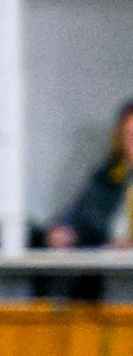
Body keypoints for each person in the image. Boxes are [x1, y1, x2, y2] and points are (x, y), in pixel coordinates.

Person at [43, 98, 133, 252]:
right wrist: (62, 230)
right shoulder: (110, 174)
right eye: (129, 135)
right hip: (107, 263)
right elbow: (77, 215)